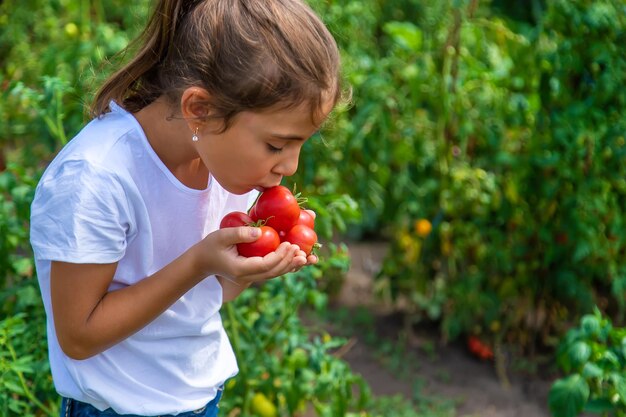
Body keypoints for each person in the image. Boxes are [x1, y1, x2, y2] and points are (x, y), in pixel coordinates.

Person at [29, 0, 345, 416]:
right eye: (276, 145)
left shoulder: (222, 163)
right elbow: (79, 336)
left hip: (200, 398)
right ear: (200, 110)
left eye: (302, 143)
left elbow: (202, 300)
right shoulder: (96, 178)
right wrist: (198, 262)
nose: (290, 167)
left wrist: (251, 267)